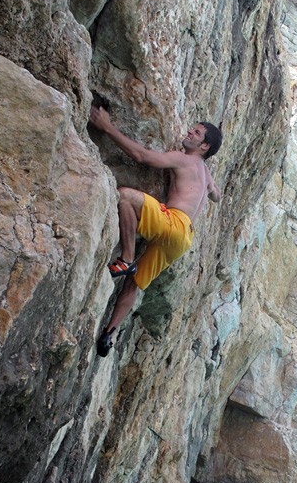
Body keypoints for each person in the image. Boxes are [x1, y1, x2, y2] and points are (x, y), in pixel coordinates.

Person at [89, 106, 223, 357]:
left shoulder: (184, 159)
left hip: (173, 222)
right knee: (135, 285)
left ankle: (127, 258)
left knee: (125, 197)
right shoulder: (206, 173)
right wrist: (211, 190)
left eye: (196, 133)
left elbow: (141, 156)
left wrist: (106, 126)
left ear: (204, 146)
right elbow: (217, 195)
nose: (190, 132)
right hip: (183, 240)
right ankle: (109, 333)